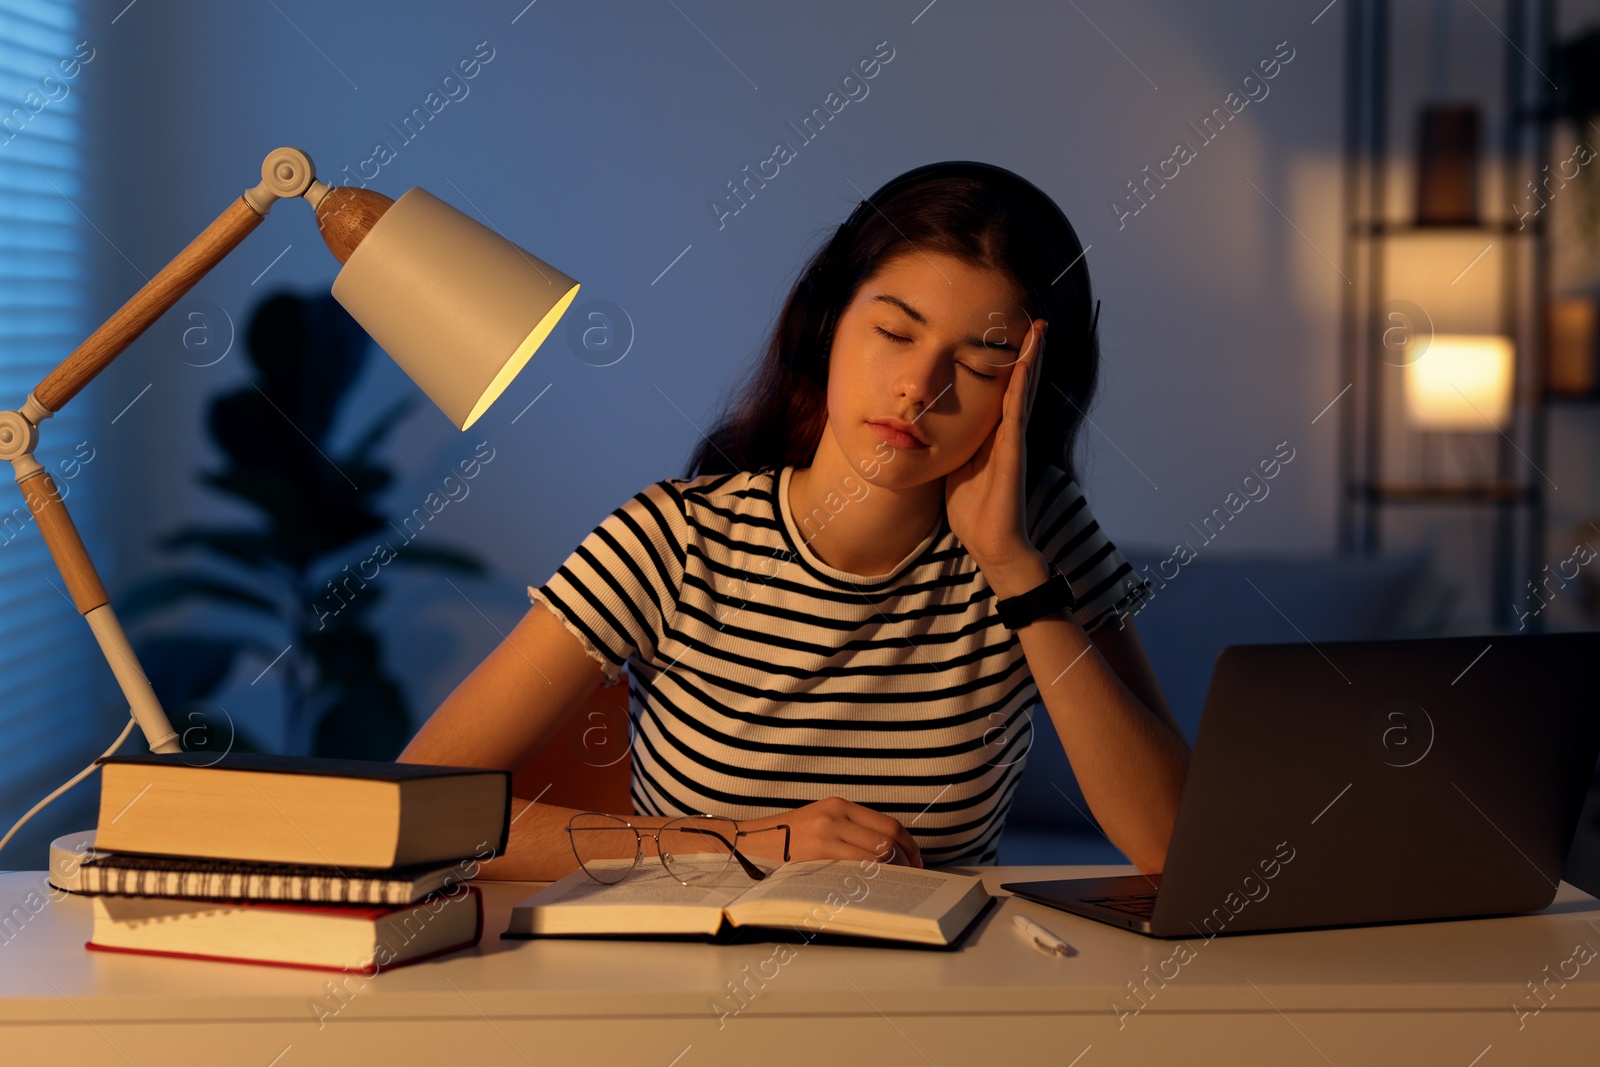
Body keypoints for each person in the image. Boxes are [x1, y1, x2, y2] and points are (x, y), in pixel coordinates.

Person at [399, 161, 1190, 881]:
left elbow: (1170, 841)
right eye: (894, 332)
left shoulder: (1040, 536)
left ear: (1029, 391)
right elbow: (411, 812)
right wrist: (745, 842)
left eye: (982, 361)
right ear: (827, 324)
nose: (920, 386)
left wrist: (1015, 570)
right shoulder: (673, 542)